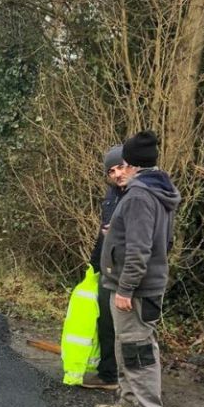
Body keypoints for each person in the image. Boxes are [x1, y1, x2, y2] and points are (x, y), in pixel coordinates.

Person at [95, 130, 181, 407]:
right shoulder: (154, 190)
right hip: (134, 285)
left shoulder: (140, 196)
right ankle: (128, 401)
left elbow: (140, 249)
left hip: (136, 290)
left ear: (130, 163)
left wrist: (126, 288)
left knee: (139, 350)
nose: (120, 170)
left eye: (123, 163)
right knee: (126, 345)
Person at [81, 145, 127, 390]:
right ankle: (108, 374)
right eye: (111, 170)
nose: (116, 174)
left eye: (120, 167)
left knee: (128, 328)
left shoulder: (139, 196)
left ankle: (126, 381)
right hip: (106, 267)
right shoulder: (111, 195)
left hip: (127, 270)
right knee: (105, 321)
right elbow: (103, 233)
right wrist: (93, 266)